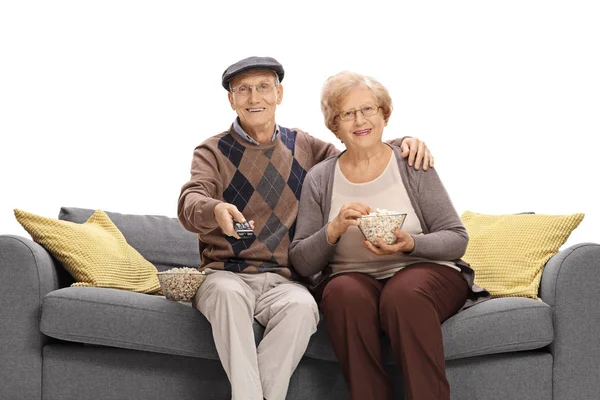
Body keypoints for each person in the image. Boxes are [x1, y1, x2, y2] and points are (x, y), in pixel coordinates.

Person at [177, 57, 434, 400]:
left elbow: (357, 148)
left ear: (279, 94)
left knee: (304, 308)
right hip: (225, 274)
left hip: (283, 280)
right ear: (231, 100)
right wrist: (216, 208)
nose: (255, 98)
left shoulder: (305, 146)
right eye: (244, 90)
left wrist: (404, 141)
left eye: (264, 87)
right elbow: (190, 201)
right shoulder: (211, 150)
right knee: (228, 296)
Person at [289, 71, 489, 400]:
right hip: (353, 277)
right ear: (334, 126)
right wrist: (334, 229)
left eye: (368, 109)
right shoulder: (320, 178)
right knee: (342, 294)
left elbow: (456, 238)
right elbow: (301, 261)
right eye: (347, 113)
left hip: (424, 274)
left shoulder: (412, 163)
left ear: (384, 114)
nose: (360, 120)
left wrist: (411, 244)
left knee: (403, 294)